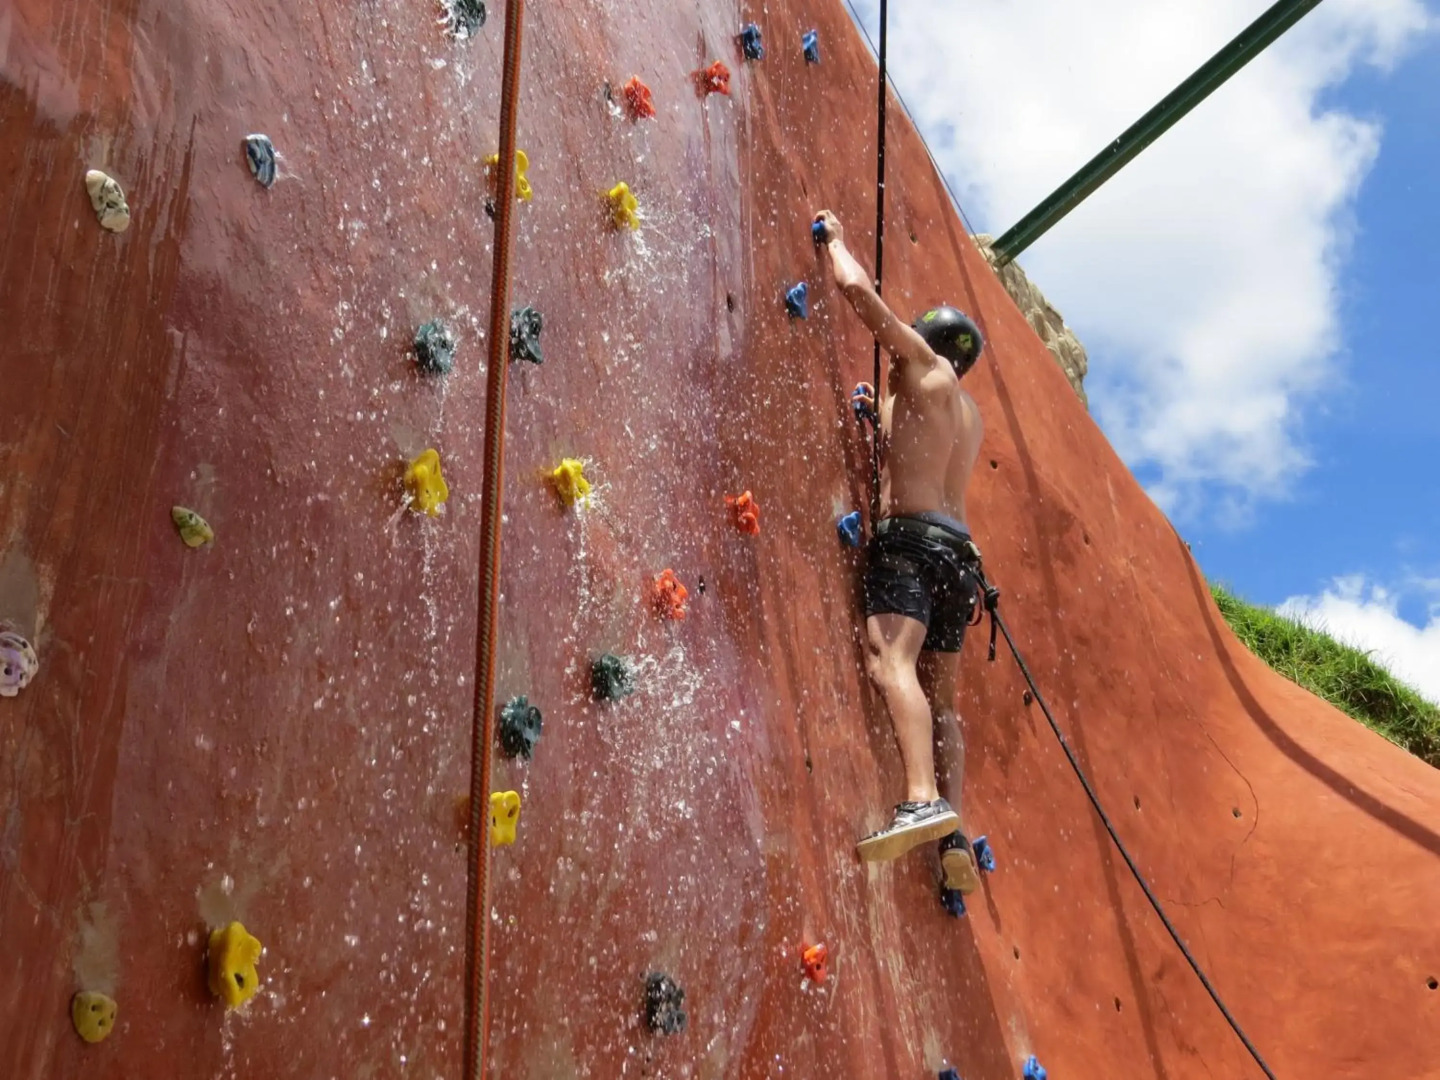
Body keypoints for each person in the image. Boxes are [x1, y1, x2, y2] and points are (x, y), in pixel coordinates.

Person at [814, 208, 988, 894]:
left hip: (911, 544)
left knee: (892, 660)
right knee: (942, 700)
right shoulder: (965, 416)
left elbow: (859, 296)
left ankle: (921, 798)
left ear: (929, 341)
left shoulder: (922, 366)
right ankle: (954, 835)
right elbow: (911, 444)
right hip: (961, 561)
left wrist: (834, 237)